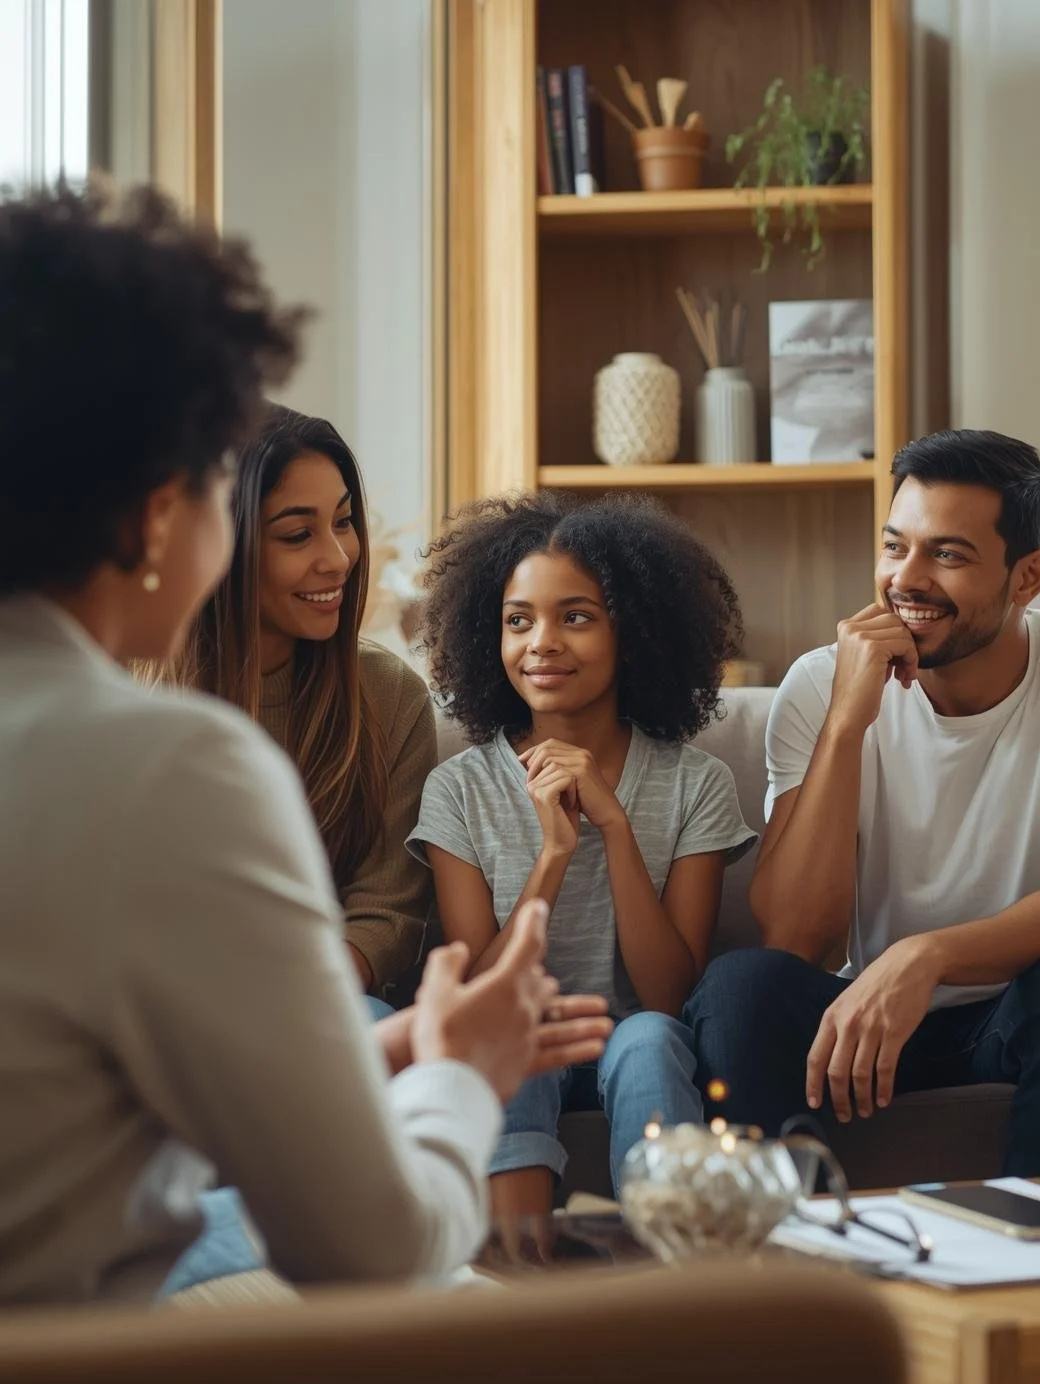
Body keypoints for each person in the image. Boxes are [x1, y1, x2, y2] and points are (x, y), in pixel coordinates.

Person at [0, 182, 611, 1304]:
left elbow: (61, 1118)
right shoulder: (164, 763)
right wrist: (463, 1073)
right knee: (478, 1307)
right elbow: (370, 1245)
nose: (331, 555)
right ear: (154, 511)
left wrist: (370, 1057)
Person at [685, 429, 1040, 1175]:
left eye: (947, 554)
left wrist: (930, 954)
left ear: (1027, 578)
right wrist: (848, 719)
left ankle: (1019, 1255)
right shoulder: (822, 684)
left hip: (1013, 1017)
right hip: (859, 1031)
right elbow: (795, 939)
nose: (906, 579)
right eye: (894, 546)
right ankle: (782, 1259)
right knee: (742, 987)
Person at [409, 493, 756, 1218]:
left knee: (652, 1037)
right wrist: (555, 853)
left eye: (576, 616)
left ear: (632, 634)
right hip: (518, 1033)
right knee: (517, 1042)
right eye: (517, 620)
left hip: (637, 1035)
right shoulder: (458, 790)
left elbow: (667, 994)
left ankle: (675, 1264)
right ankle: (515, 1276)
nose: (541, 642)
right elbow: (479, 995)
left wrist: (616, 827)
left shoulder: (696, 783)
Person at [179, 404, 432, 1005]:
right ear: (222, 543)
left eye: (344, 522)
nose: (339, 557)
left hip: (325, 998)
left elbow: (385, 915)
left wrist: (282, 1003)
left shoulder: (389, 694)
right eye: (298, 534)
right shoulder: (134, 696)